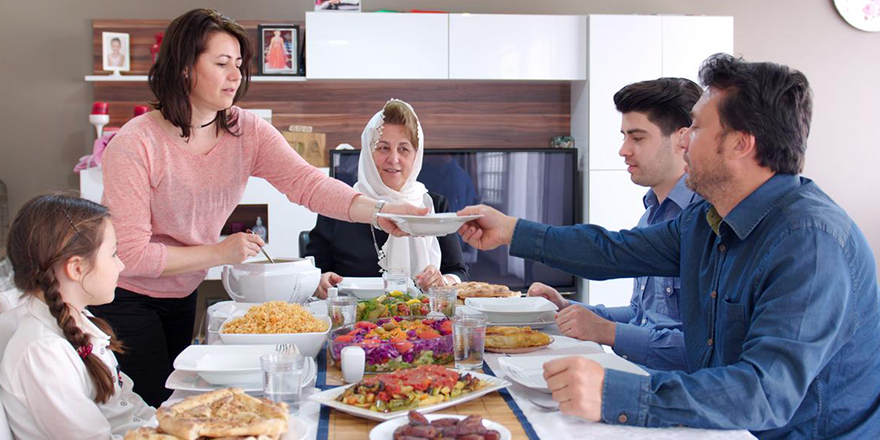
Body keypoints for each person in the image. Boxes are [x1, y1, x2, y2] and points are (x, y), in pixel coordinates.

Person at [456, 54, 880, 437]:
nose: (682, 141)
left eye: (695, 128)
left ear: (740, 144)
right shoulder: (708, 219)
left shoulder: (810, 241)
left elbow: (764, 393)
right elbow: (615, 250)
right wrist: (511, 230)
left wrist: (617, 393)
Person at [92, 9, 426, 407]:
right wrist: (219, 252)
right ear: (183, 68)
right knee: (151, 405)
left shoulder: (243, 130)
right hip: (128, 297)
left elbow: (308, 183)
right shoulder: (136, 144)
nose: (235, 76)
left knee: (175, 399)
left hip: (183, 291)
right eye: (221, 64)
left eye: (238, 64)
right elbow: (129, 254)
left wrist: (378, 211)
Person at [529, 78, 702, 371]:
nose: (623, 150)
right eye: (624, 136)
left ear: (681, 139)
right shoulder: (649, 217)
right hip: (638, 377)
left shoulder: (705, 221)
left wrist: (606, 332)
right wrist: (567, 308)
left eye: (637, 138)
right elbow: (640, 314)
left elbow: (703, 351)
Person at [0, 194, 154, 439]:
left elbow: (125, 407)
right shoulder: (44, 352)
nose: (121, 266)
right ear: (77, 268)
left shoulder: (78, 320)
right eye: (113, 254)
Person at [306, 99, 468, 298]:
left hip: (423, 324)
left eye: (403, 149)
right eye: (383, 148)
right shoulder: (339, 206)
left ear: (416, 155)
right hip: (354, 325)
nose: (393, 159)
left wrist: (443, 281)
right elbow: (311, 274)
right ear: (368, 151)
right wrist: (320, 281)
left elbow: (459, 272)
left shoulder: (434, 205)